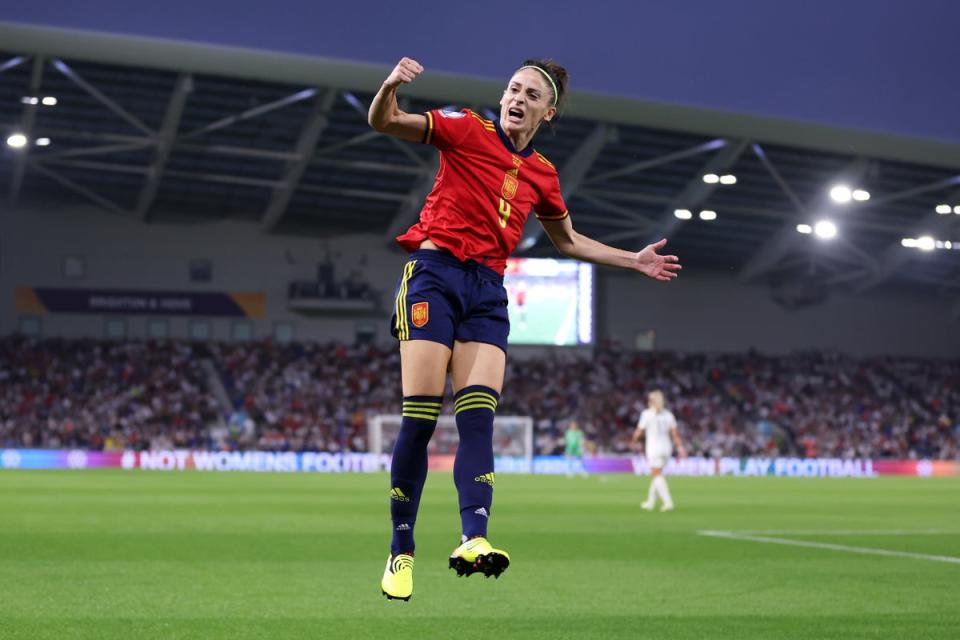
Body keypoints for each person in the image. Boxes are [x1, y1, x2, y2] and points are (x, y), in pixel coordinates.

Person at [369, 56, 682, 601]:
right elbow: (385, 122)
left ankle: (473, 539)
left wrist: (632, 260)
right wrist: (390, 86)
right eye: (513, 88)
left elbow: (568, 241)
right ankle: (401, 549)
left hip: (487, 291)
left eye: (530, 94)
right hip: (434, 276)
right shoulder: (466, 127)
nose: (516, 98)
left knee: (479, 420)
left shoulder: (543, 174)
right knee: (420, 419)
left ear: (548, 111)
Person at [632, 390, 687, 512]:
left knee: (656, 475)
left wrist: (633, 441)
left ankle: (668, 502)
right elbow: (675, 434)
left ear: (651, 401)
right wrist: (680, 448)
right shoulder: (668, 415)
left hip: (654, 448)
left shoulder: (647, 414)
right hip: (667, 447)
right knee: (657, 474)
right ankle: (650, 502)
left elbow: (638, 432)